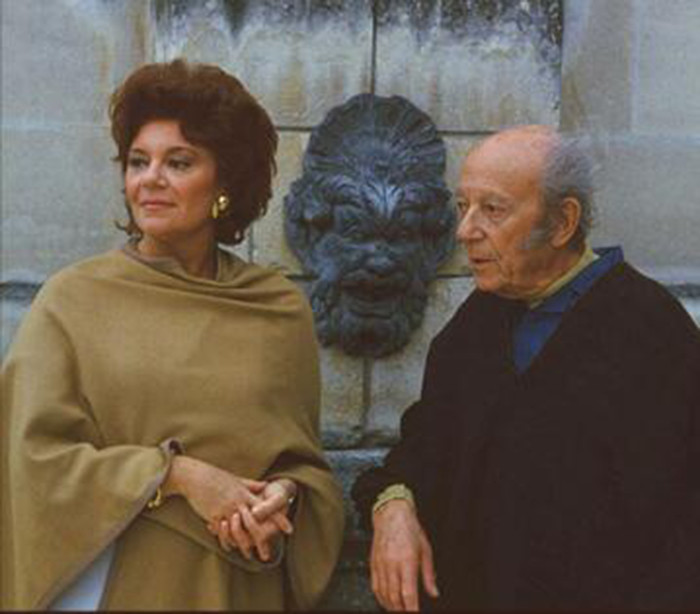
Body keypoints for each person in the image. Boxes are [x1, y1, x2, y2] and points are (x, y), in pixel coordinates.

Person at [1, 59, 344, 610]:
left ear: (225, 183)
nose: (150, 179)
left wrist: (283, 497)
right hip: (112, 585)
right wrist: (175, 476)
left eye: (178, 162)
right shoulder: (73, 301)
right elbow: (29, 461)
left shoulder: (277, 310)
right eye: (139, 161)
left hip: (235, 587)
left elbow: (303, 466)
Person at [352, 125, 700, 611]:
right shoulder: (477, 323)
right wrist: (393, 507)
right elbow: (425, 449)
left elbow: (683, 531)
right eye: (462, 206)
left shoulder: (650, 331)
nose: (465, 230)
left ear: (563, 222)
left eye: (492, 210)